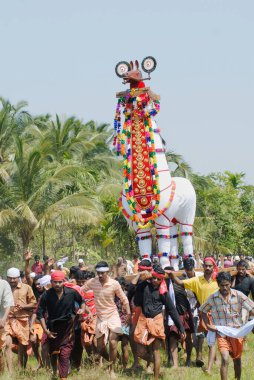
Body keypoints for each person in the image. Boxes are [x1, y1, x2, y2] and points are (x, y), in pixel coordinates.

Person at [167, 256, 219, 374]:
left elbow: (227, 288)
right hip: (203, 313)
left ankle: (213, 362)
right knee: (201, 336)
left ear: (213, 267)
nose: (207, 268)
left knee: (214, 339)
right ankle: (205, 361)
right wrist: (172, 274)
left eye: (210, 266)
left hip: (217, 313)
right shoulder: (197, 280)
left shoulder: (218, 279)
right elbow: (180, 282)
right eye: (205, 265)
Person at [37, 270, 91, 380]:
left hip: (68, 327)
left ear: (64, 281)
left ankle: (63, 377)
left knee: (64, 354)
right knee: (53, 353)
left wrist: (82, 309)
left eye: (60, 282)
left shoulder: (71, 292)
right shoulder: (46, 295)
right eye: (55, 282)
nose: (57, 284)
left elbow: (82, 301)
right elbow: (40, 313)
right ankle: (53, 372)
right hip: (52, 328)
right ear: (51, 282)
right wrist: (46, 331)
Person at [134, 265, 185, 380]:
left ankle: (156, 377)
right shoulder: (143, 286)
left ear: (162, 279)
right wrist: (140, 281)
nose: (155, 281)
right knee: (140, 352)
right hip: (143, 320)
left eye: (158, 279)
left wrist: (180, 327)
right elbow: (137, 301)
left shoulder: (163, 291)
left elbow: (172, 309)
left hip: (156, 321)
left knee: (156, 350)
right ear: (150, 277)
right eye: (154, 278)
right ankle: (156, 362)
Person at [200, 271, 254, 380]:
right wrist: (208, 325)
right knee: (224, 358)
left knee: (237, 360)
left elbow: (252, 308)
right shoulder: (213, 298)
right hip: (221, 333)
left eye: (227, 285)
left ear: (230, 283)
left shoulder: (238, 295)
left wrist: (251, 321)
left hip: (237, 333)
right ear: (218, 285)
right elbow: (202, 311)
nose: (224, 288)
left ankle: (237, 378)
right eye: (222, 285)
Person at [81, 261, 131, 378]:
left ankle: (112, 370)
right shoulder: (92, 282)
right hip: (100, 317)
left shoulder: (114, 284)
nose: (99, 275)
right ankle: (111, 360)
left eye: (102, 273)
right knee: (100, 347)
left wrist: (128, 314)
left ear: (107, 272)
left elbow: (124, 299)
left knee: (113, 342)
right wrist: (83, 305)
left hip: (113, 315)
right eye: (98, 273)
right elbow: (80, 291)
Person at [5, 267, 37, 371]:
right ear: (7, 278)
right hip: (7, 320)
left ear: (19, 277)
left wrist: (23, 306)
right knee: (7, 343)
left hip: (22, 319)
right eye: (10, 278)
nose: (12, 280)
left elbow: (33, 303)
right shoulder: (4, 288)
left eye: (14, 278)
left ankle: (20, 369)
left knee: (22, 345)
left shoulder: (26, 288)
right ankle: (10, 371)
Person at [164, 265, 194, 368]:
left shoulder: (181, 281)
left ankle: (189, 359)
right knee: (172, 337)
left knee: (188, 338)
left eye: (170, 273)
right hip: (171, 315)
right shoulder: (163, 284)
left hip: (184, 312)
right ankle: (175, 364)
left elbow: (191, 294)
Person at [183, 258, 204, 367]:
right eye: (187, 270)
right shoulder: (182, 277)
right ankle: (188, 357)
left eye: (190, 270)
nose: (188, 272)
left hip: (200, 307)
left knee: (198, 333)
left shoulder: (201, 276)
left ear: (193, 268)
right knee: (188, 335)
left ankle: (199, 355)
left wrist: (200, 305)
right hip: (187, 307)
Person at [0, 277, 14, 373]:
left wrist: (4, 319)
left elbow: (8, 303)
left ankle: (10, 373)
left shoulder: (3, 284)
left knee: (7, 342)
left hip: (1, 319)